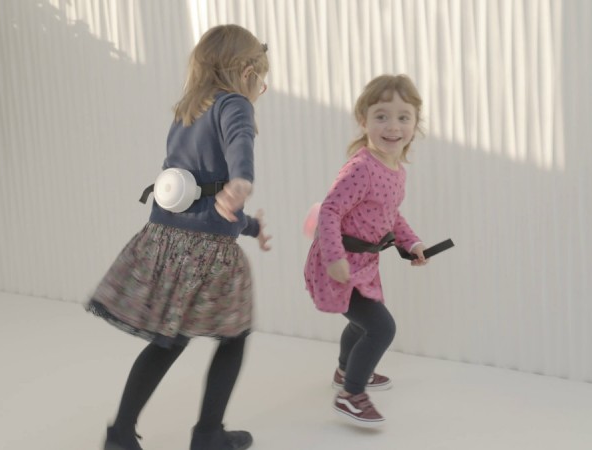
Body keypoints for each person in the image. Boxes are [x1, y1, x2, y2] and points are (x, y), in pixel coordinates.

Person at [85, 24, 271, 450]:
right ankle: (208, 434)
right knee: (234, 335)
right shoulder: (236, 105)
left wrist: (253, 225)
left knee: (168, 340)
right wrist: (242, 182)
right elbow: (239, 152)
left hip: (166, 241)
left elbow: (196, 197)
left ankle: (119, 434)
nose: (263, 86)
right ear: (246, 70)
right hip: (209, 255)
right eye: (262, 75)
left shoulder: (188, 111)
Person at [303, 74, 428, 427]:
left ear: (415, 123)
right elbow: (329, 211)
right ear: (364, 120)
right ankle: (351, 395)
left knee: (361, 325)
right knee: (381, 328)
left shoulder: (396, 170)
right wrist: (334, 259)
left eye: (403, 117)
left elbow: (391, 215)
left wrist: (412, 243)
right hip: (339, 261)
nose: (393, 126)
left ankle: (345, 372)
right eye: (381, 116)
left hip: (364, 263)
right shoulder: (361, 168)